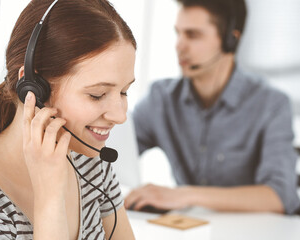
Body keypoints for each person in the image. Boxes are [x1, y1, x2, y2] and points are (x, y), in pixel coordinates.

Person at [0, 0, 137, 239]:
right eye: (97, 95)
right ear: (34, 87)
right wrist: (49, 197)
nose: (120, 116)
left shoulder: (89, 160)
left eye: (124, 92)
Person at [125, 0, 300, 215]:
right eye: (178, 33)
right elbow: (115, 150)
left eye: (193, 35)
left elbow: (280, 196)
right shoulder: (161, 98)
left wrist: (184, 195)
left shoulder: (271, 105)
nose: (179, 45)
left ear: (230, 40)